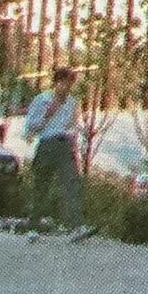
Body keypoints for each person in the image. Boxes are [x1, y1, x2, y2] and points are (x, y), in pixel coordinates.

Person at [22, 68, 94, 242]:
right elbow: (30, 127)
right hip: (47, 143)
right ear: (56, 82)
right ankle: (33, 227)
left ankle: (77, 226)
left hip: (65, 145)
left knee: (71, 183)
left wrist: (83, 132)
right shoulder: (42, 100)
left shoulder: (72, 103)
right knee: (41, 185)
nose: (67, 87)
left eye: (70, 83)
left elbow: (73, 124)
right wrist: (47, 116)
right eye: (64, 82)